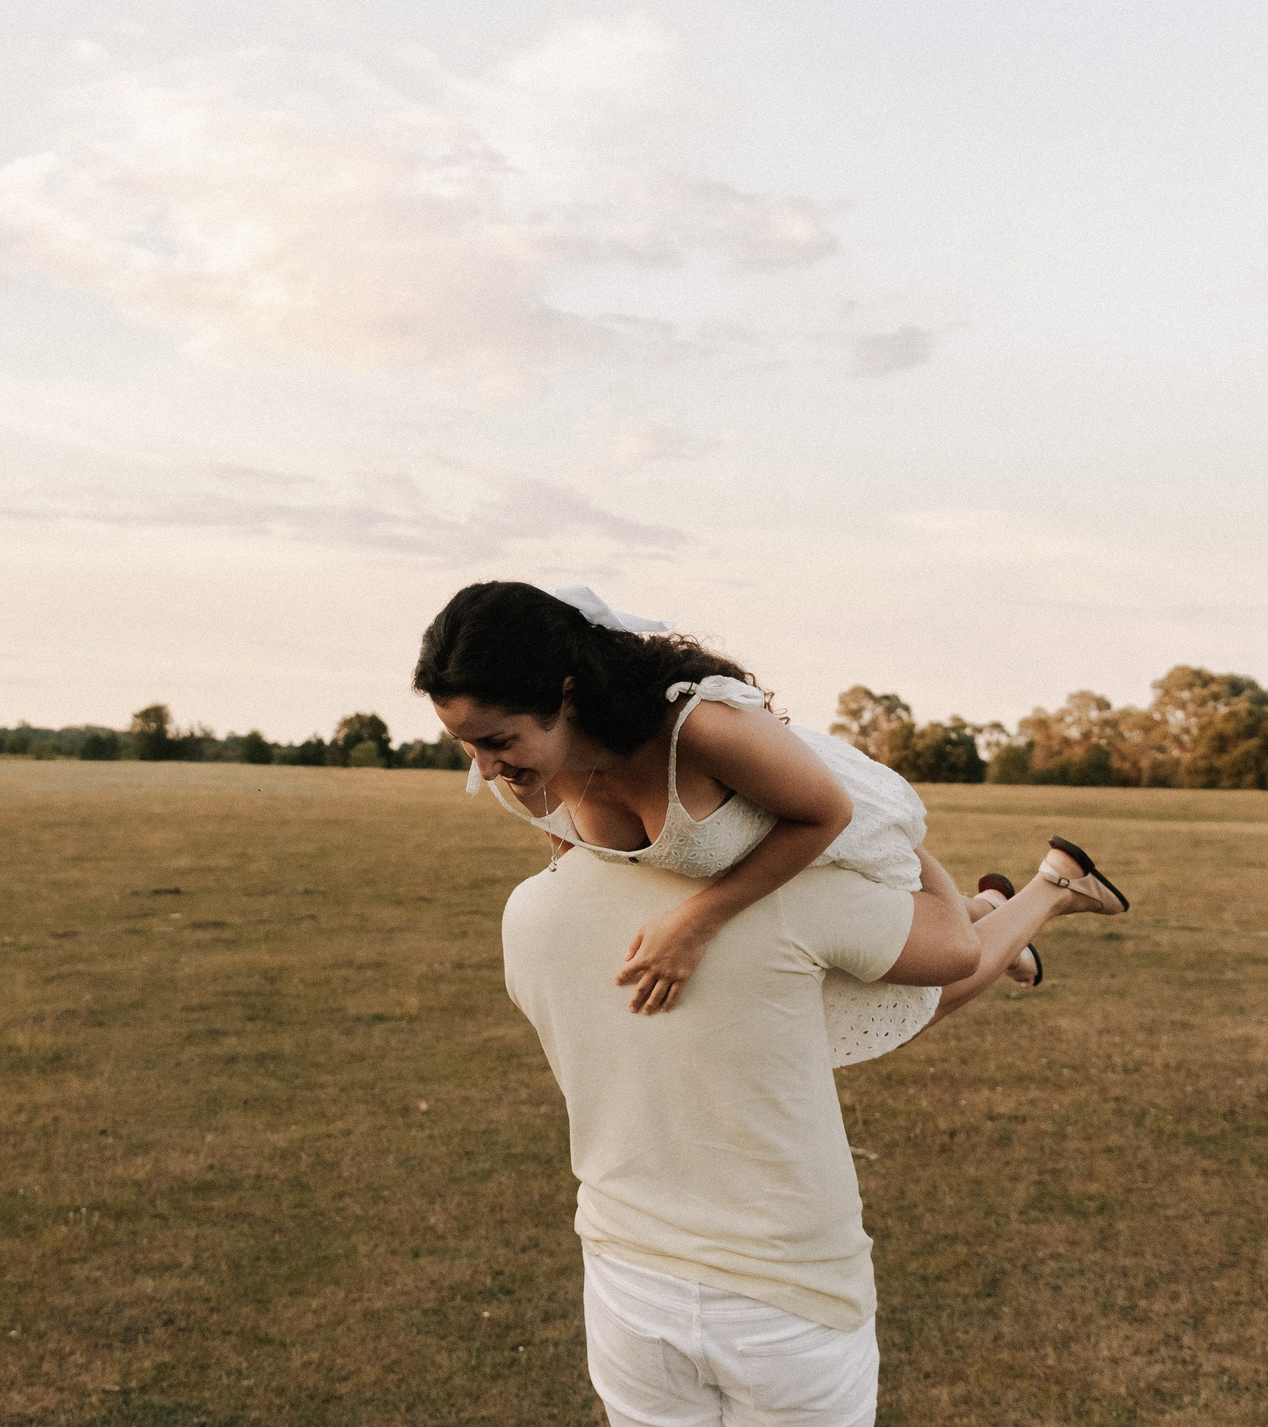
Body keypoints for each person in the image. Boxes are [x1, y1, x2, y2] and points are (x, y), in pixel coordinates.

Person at [414, 581, 1130, 1425]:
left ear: (566, 696)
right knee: (825, 1013)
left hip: (837, 831)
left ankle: (1041, 892)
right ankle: (1029, 894)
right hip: (726, 1273)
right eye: (467, 745)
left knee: (936, 962)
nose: (485, 769)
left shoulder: (702, 732)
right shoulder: (537, 774)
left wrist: (697, 919)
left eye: (497, 740)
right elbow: (579, 856)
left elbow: (825, 813)